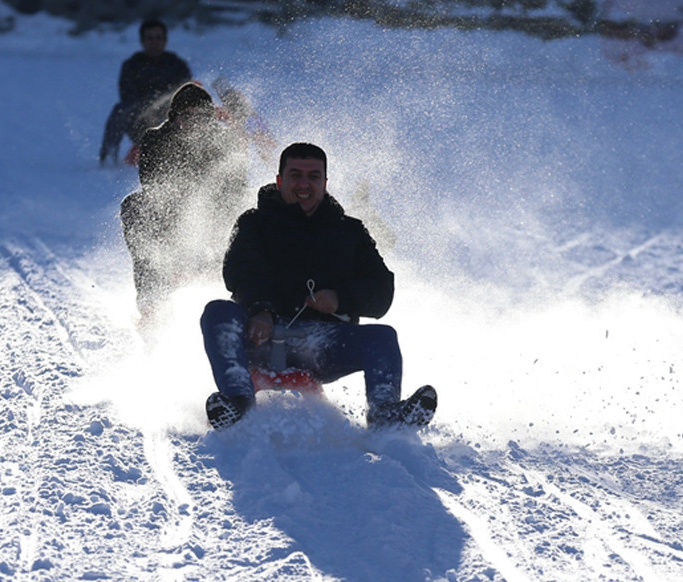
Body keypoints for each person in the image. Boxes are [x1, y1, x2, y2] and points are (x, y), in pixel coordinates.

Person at [199, 142, 437, 430]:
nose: (304, 184)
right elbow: (241, 269)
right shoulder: (254, 223)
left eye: (313, 176)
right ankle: (237, 405)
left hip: (322, 342)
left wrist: (339, 299)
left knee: (382, 337)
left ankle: (386, 415)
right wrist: (260, 308)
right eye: (295, 175)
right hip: (261, 332)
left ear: (324, 182)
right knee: (218, 313)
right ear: (279, 180)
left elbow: (381, 290)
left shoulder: (350, 231)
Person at [121, 82, 248, 320]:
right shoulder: (156, 139)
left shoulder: (225, 141)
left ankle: (252, 304)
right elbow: (152, 186)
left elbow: (236, 188)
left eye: (201, 115)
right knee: (135, 206)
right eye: (187, 115)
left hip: (216, 222)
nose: (194, 121)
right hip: (170, 220)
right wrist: (185, 205)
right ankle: (152, 304)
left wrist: (214, 217)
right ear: (175, 117)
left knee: (251, 211)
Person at [99, 19, 192, 166]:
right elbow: (127, 95)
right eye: (149, 38)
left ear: (165, 41)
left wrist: (163, 112)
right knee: (120, 109)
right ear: (142, 41)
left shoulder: (177, 65)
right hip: (140, 122)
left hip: (170, 122)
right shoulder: (131, 66)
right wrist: (148, 110)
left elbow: (186, 94)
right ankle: (110, 154)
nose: (154, 42)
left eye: (158, 38)